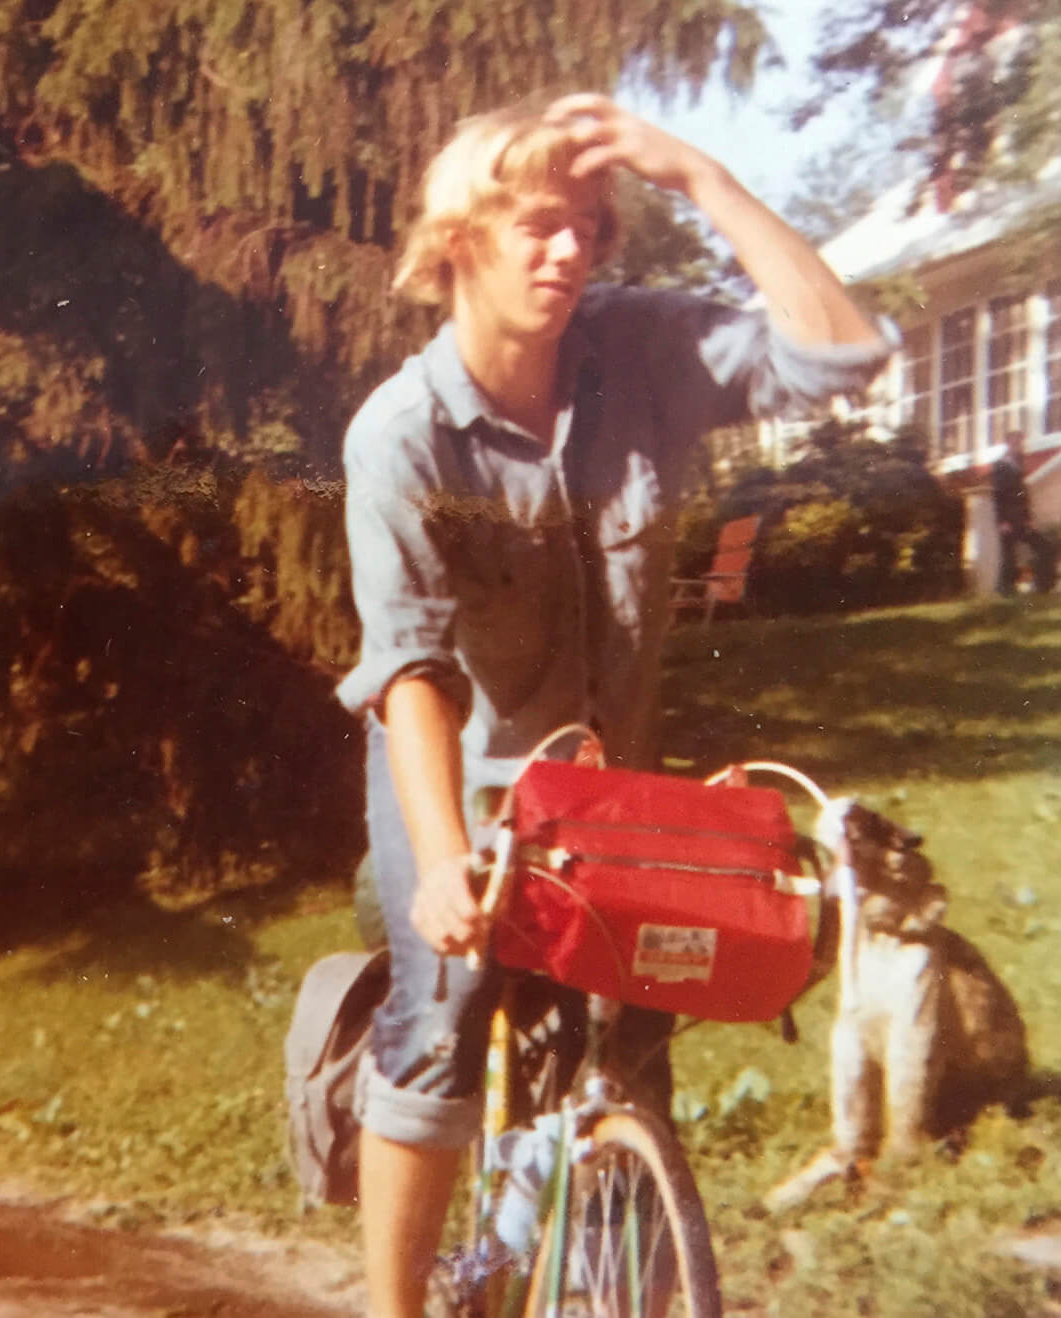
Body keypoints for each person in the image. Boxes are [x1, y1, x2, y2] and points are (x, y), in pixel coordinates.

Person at [338, 94, 894, 1316]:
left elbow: (843, 352)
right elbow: (413, 673)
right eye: (541, 226)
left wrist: (702, 177)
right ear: (456, 244)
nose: (572, 253)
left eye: (590, 227)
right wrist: (441, 866)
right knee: (440, 1017)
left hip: (612, 784)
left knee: (630, 1052)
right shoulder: (404, 438)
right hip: (459, 782)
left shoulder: (640, 350)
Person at [989, 430, 1053, 595]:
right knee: (1009, 556)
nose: (1020, 446)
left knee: (1044, 546)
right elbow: (998, 495)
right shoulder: (1001, 465)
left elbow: (1023, 496)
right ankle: (1005, 590)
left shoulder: (1019, 464)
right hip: (1008, 520)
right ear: (1009, 444)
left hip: (1021, 519)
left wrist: (1029, 519)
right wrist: (1001, 521)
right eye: (1017, 443)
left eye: (1021, 443)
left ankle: (1043, 586)